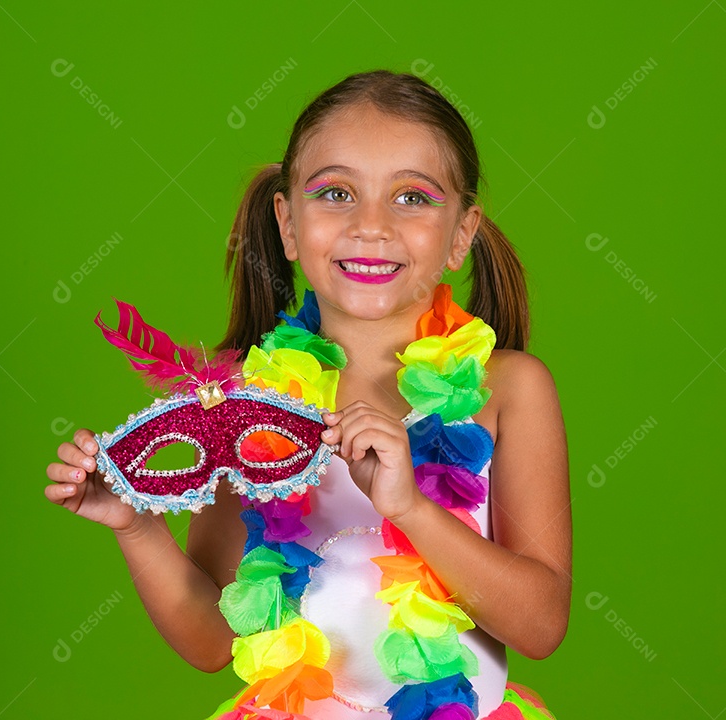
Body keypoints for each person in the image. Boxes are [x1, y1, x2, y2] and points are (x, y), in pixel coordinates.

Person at [45, 69, 571, 720]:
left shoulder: (509, 388)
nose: (371, 225)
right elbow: (215, 640)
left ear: (462, 233)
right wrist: (135, 525)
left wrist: (410, 509)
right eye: (336, 193)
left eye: (412, 197)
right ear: (288, 224)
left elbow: (541, 624)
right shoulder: (247, 400)